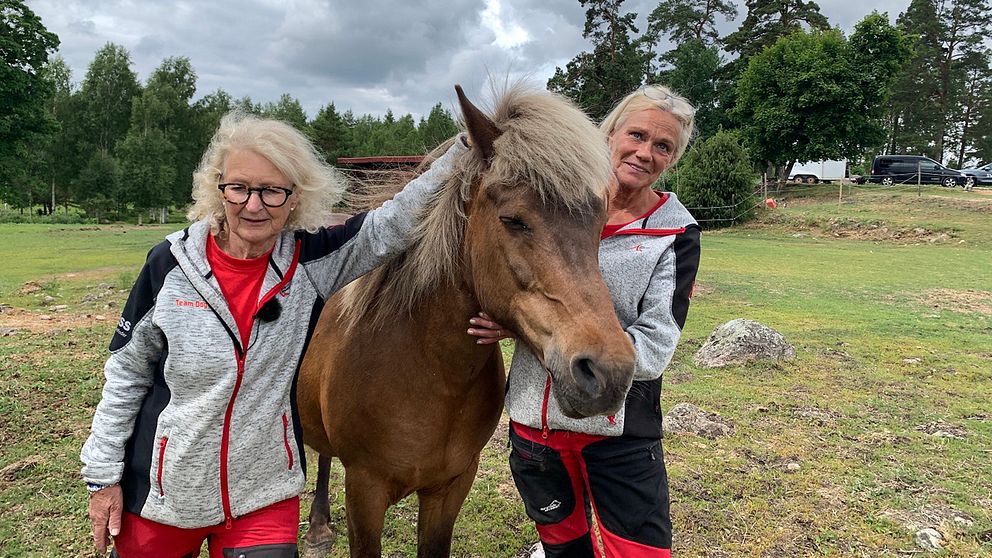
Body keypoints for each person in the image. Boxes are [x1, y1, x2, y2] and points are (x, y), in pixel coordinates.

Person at [81, 111, 467, 557]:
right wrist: (103, 477)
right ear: (218, 187)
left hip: (261, 498)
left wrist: (465, 147)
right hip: (164, 500)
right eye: (239, 187)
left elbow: (393, 222)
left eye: (271, 191)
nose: (253, 204)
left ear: (295, 198)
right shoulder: (168, 265)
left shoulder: (311, 262)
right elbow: (127, 375)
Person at [469, 84, 701, 557]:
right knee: (564, 550)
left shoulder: (675, 233)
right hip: (537, 429)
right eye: (636, 135)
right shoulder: (554, 204)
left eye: (664, 146)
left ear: (673, 159)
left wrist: (540, 334)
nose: (644, 153)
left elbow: (656, 344)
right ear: (610, 133)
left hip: (619, 432)